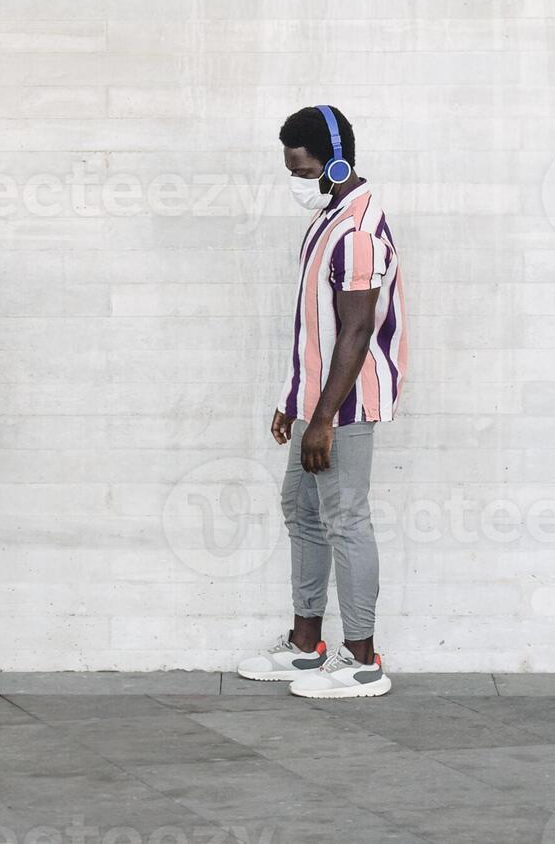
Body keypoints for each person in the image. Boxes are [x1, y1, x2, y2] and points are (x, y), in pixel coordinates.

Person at [234, 105, 405, 699]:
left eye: (304, 172)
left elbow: (355, 333)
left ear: (335, 161)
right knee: (302, 510)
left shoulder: (357, 232)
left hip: (345, 408)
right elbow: (317, 327)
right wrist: (295, 402)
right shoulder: (331, 218)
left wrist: (324, 418)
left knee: (345, 520)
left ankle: (361, 659)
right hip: (318, 403)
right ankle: (307, 646)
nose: (297, 183)